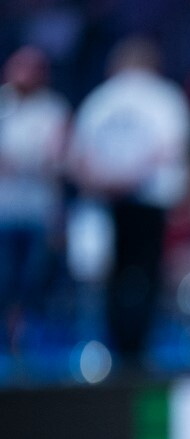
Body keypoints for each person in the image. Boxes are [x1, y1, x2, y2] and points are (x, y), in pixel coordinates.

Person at [66, 36, 190, 369]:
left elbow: (78, 155)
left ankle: (114, 350)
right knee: (145, 277)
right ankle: (137, 353)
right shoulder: (164, 97)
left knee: (113, 277)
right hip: (145, 203)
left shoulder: (99, 99)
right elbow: (172, 147)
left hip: (110, 200)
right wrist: (130, 178)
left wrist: (110, 180)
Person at [0, 46, 69, 351]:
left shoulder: (53, 109)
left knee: (34, 280)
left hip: (39, 211)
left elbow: (55, 158)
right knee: (4, 279)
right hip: (4, 210)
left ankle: (28, 341)